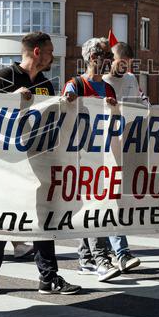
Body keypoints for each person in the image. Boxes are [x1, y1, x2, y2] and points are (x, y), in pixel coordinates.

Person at [0, 31, 81, 295]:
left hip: (37, 160)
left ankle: (49, 277)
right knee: (2, 218)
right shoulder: (3, 77)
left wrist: (66, 105)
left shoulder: (46, 84)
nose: (52, 57)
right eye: (49, 52)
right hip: (6, 162)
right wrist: (12, 99)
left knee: (43, 217)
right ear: (37, 52)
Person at [64, 36, 138, 282]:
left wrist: (114, 107)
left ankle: (86, 260)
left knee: (98, 205)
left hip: (104, 156)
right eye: (105, 57)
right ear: (92, 58)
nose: (108, 61)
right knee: (95, 206)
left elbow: (116, 119)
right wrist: (70, 103)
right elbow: (63, 115)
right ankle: (102, 259)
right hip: (80, 157)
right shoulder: (75, 85)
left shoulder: (107, 89)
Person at [101, 41, 146, 272]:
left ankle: (101, 254)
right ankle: (118, 252)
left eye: (128, 65)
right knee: (107, 200)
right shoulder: (98, 81)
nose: (124, 69)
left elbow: (138, 108)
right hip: (99, 153)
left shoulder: (130, 79)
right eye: (121, 63)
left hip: (122, 149)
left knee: (113, 200)